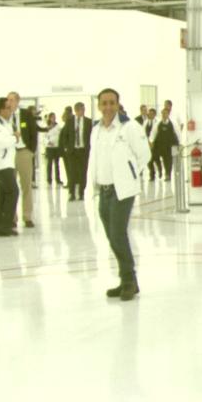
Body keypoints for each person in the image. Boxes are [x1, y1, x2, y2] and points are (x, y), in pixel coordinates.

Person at [91, 87, 151, 300]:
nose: (108, 107)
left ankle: (128, 280)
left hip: (121, 191)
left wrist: (131, 175)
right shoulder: (96, 129)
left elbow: (145, 155)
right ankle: (128, 280)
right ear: (99, 106)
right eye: (104, 103)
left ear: (118, 105)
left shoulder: (130, 127)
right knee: (111, 237)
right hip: (104, 191)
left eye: (111, 103)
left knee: (117, 234)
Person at [0, 95, 20, 236]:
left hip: (7, 164)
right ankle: (5, 225)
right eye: (7, 108)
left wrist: (13, 138)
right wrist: (14, 137)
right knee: (13, 192)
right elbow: (0, 143)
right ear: (0, 110)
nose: (10, 110)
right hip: (1, 166)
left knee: (2, 195)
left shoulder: (5, 123)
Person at [7, 92, 37, 229]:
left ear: (18, 101)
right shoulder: (5, 116)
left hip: (24, 152)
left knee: (26, 186)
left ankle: (27, 216)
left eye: (12, 100)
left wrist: (31, 151)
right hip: (9, 154)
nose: (9, 102)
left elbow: (33, 132)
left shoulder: (26, 114)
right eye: (8, 100)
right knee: (11, 187)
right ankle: (12, 217)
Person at [63, 101, 92, 200]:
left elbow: (91, 136)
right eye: (81, 110)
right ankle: (71, 193)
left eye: (84, 110)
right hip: (72, 150)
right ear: (76, 110)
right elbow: (65, 135)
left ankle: (81, 193)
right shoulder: (69, 121)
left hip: (83, 150)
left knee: (83, 172)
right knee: (72, 172)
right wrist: (66, 147)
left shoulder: (88, 122)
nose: (83, 112)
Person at [151, 100, 179, 184]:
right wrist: (151, 142)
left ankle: (168, 174)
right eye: (162, 114)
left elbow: (178, 133)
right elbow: (153, 133)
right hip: (160, 145)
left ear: (168, 114)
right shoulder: (157, 124)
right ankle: (160, 169)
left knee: (168, 160)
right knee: (155, 157)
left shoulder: (173, 123)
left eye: (165, 114)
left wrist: (180, 143)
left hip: (169, 145)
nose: (164, 115)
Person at [44, 110, 62, 187]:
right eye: (52, 117)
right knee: (49, 164)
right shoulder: (46, 127)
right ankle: (49, 179)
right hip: (49, 147)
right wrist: (48, 142)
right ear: (49, 118)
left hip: (56, 147)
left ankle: (58, 179)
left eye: (54, 117)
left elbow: (59, 136)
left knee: (57, 164)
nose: (53, 118)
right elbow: (44, 137)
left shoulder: (58, 126)